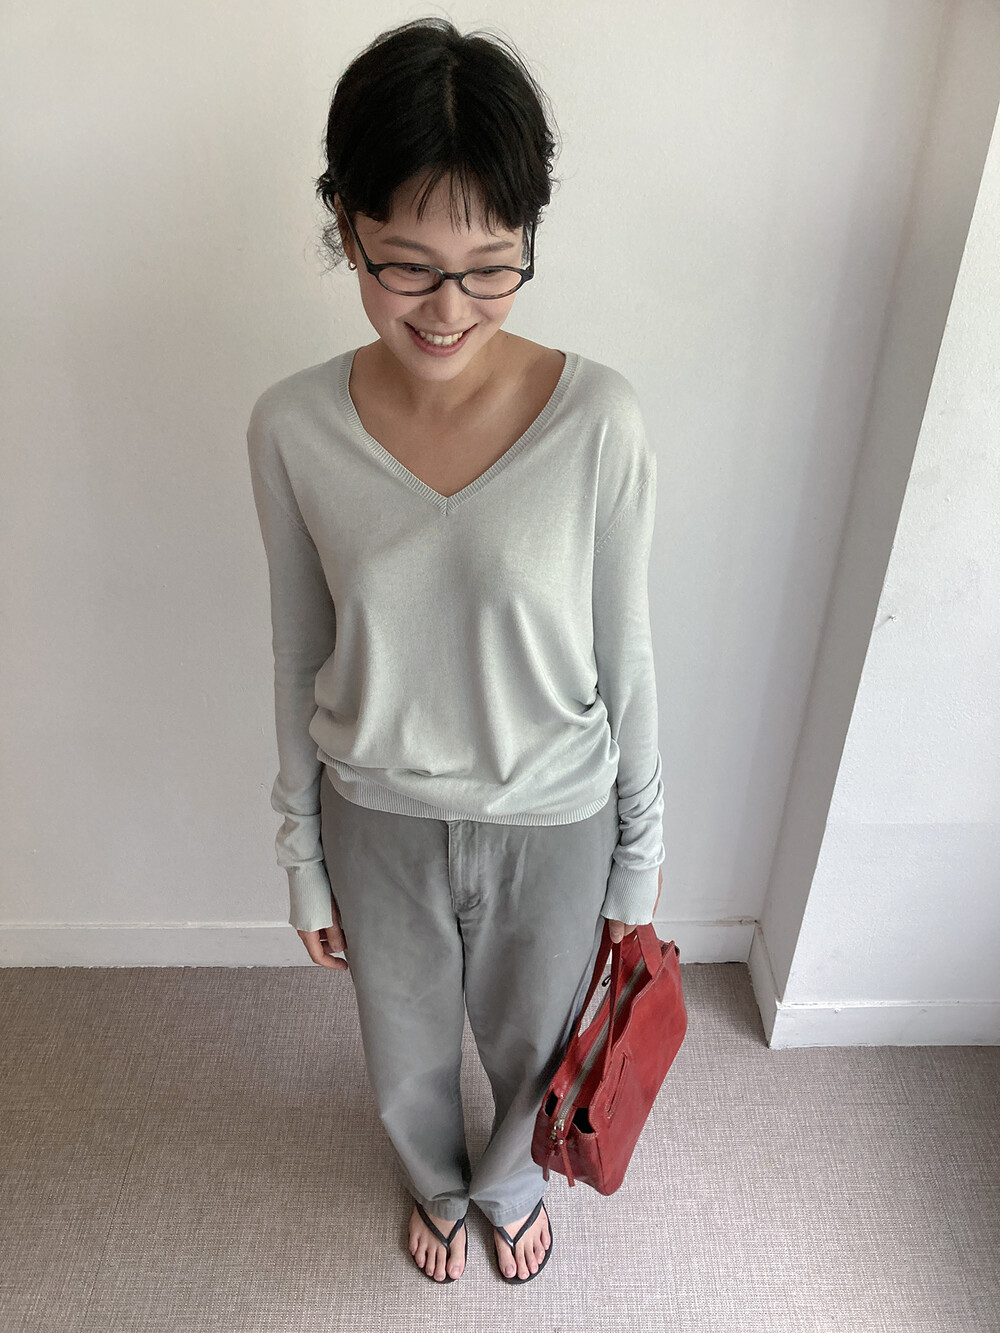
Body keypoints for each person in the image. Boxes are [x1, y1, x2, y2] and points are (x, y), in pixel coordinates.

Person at [246, 16, 664, 1286]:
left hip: (556, 814)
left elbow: (627, 651)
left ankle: (510, 1180)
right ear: (346, 224)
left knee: (536, 1043)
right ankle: (435, 1179)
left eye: (491, 269)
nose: (449, 310)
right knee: (404, 1049)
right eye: (407, 267)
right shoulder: (292, 426)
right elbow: (298, 646)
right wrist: (302, 856)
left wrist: (640, 857)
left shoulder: (599, 419)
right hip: (376, 810)